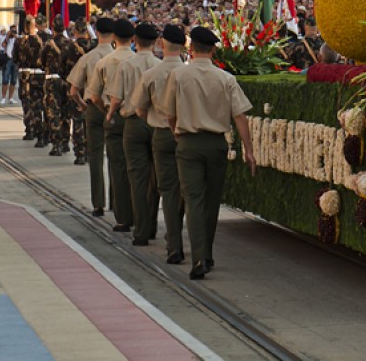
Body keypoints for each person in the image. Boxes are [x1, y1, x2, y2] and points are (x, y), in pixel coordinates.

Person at [158, 26, 256, 280]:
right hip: (216, 144)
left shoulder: (179, 75)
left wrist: (176, 132)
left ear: (191, 49)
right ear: (213, 50)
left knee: (193, 200)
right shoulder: (225, 79)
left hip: (188, 143)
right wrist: (249, 150)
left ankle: (199, 256)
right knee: (211, 202)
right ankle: (207, 254)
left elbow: (169, 113)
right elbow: (241, 117)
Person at [132, 23, 188, 263]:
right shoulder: (189, 72)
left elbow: (139, 109)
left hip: (162, 134)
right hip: (187, 134)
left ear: (162, 44)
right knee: (188, 190)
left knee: (168, 189)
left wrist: (155, 120)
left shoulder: (151, 73)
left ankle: (174, 244)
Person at [107, 21, 161, 246]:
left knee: (137, 177)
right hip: (157, 123)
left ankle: (140, 231)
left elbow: (117, 98)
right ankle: (152, 225)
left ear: (135, 41)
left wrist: (110, 114)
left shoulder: (126, 65)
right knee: (156, 177)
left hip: (133, 123)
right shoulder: (160, 65)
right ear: (156, 42)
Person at [87, 18, 135, 232]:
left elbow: (94, 95)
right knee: (139, 170)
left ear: (114, 38)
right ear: (132, 39)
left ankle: (122, 216)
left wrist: (106, 112)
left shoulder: (103, 62)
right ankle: (142, 218)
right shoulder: (141, 62)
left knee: (117, 167)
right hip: (137, 119)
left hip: (113, 117)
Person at [68, 17, 116, 215]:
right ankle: (117, 202)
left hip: (93, 110)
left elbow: (73, 90)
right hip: (114, 109)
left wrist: (82, 105)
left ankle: (98, 203)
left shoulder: (88, 58)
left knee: (95, 156)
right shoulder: (123, 58)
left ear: (95, 32)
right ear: (113, 35)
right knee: (116, 157)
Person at [41, 17, 74, 157]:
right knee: (66, 112)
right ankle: (66, 143)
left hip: (52, 81)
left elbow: (41, 61)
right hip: (67, 81)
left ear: (53, 28)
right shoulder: (70, 44)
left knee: (53, 113)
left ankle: (57, 145)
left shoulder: (48, 44)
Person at [61, 20, 92, 164]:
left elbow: (61, 68)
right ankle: (91, 152)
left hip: (75, 87)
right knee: (91, 121)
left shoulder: (69, 47)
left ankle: (80, 154)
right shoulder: (94, 46)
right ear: (86, 31)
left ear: (74, 31)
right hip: (93, 87)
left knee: (77, 120)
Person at [14, 16, 47, 145]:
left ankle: (29, 130)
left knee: (26, 104)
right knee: (40, 104)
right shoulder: (42, 41)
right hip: (38, 75)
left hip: (23, 75)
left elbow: (15, 58)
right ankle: (43, 132)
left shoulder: (19, 41)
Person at [0, 26, 19, 105]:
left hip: (15, 61)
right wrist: (7, 36)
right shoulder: (7, 39)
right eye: (12, 31)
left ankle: (10, 97)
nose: (13, 32)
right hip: (8, 60)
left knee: (14, 80)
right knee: (5, 80)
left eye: (15, 30)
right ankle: (3, 98)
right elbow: (3, 45)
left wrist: (16, 37)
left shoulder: (17, 39)